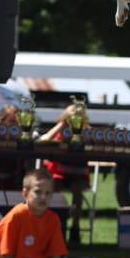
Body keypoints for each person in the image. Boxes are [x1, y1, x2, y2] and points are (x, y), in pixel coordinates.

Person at [0, 168, 69, 258]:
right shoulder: (15, 217)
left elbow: (56, 254)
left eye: (48, 193)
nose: (43, 197)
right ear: (25, 193)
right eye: (38, 192)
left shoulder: (53, 219)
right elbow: (7, 255)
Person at [41, 103, 91, 245]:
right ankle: (51, 225)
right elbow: (44, 140)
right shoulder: (61, 130)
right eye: (70, 118)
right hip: (59, 173)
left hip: (77, 173)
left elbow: (96, 140)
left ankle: (75, 227)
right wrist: (61, 125)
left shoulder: (85, 131)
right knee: (53, 187)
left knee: (78, 190)